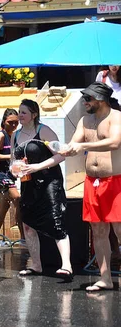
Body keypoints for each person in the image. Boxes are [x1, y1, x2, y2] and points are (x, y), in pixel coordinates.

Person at [61, 83, 121, 291]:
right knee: (98, 230)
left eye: (89, 99)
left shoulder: (116, 117)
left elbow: (114, 142)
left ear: (101, 100)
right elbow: (75, 144)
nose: (85, 102)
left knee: (119, 229)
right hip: (92, 181)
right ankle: (105, 278)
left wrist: (84, 146)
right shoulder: (85, 120)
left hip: (115, 181)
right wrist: (63, 149)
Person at [12, 99, 73, 281]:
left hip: (49, 181)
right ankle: (36, 265)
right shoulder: (16, 135)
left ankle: (66, 265)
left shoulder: (43, 130)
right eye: (19, 112)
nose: (20, 115)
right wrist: (14, 170)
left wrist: (37, 167)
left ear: (34, 114)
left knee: (55, 221)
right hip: (28, 182)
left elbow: (61, 155)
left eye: (23, 112)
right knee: (28, 223)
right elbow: (12, 161)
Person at [0, 108, 25, 247]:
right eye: (10, 122)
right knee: (17, 199)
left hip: (9, 174)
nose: (14, 125)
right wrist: (9, 157)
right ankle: (23, 236)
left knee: (4, 206)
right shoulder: (1, 136)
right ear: (4, 122)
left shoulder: (15, 136)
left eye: (16, 123)